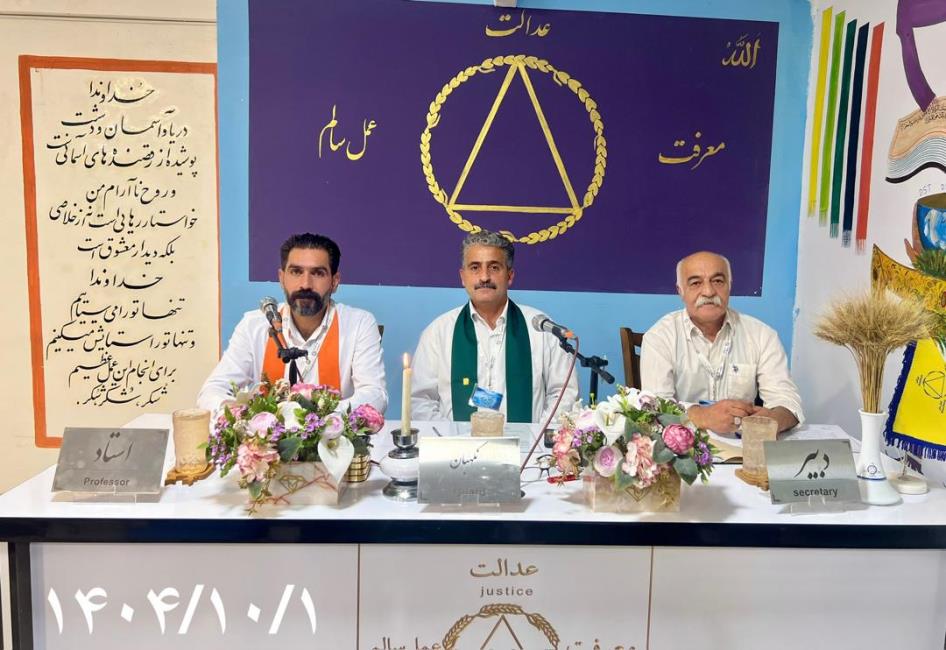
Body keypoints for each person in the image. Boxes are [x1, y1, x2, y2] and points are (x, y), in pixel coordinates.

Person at [197, 232, 387, 414]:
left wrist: (318, 418)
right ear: (281, 278)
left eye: (318, 273)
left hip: (334, 434)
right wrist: (239, 414)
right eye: (296, 272)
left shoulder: (359, 324)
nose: (305, 284)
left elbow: (376, 395)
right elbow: (211, 391)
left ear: (334, 281)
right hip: (268, 436)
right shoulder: (254, 325)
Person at [411, 230, 579, 423]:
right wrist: (450, 436)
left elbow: (564, 393)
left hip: (529, 441)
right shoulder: (438, 332)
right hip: (455, 441)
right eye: (475, 267)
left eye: (494, 267)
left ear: (510, 275)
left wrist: (537, 435)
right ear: (463, 277)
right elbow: (420, 401)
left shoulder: (540, 328)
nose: (484, 277)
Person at [640, 251, 803, 434]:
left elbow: (787, 401)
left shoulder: (762, 335)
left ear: (729, 286)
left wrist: (774, 420)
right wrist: (702, 416)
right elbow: (654, 406)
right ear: (680, 291)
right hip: (683, 446)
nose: (708, 292)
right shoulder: (659, 337)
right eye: (695, 283)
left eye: (717, 281)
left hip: (743, 444)